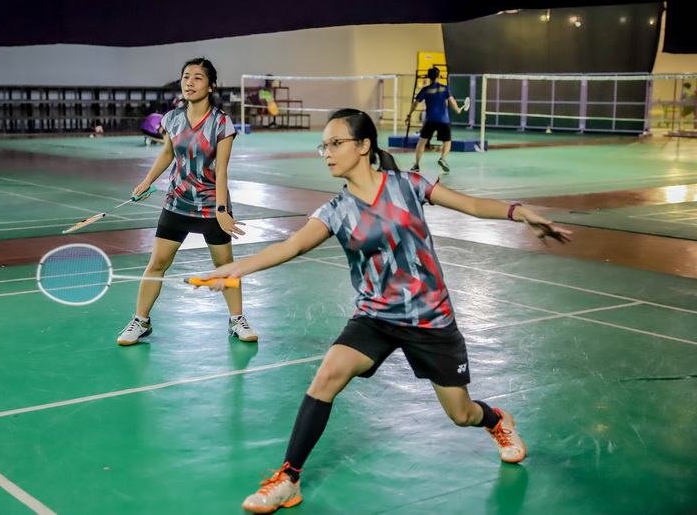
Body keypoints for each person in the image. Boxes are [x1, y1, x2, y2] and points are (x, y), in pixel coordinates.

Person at [204, 108, 573, 513]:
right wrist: (237, 268)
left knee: (461, 413)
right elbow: (292, 245)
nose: (327, 153)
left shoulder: (408, 186)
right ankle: (288, 479)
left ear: (364, 146)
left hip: (430, 318)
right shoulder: (336, 210)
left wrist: (519, 212)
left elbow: (469, 204)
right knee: (327, 376)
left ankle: (495, 420)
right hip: (375, 317)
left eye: (336, 143)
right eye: (324, 146)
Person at [115, 57, 259, 346]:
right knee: (157, 262)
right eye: (186, 77)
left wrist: (221, 210)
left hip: (211, 204)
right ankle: (140, 321)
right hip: (177, 202)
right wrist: (147, 181)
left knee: (224, 265)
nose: (189, 83)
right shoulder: (172, 118)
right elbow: (168, 154)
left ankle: (237, 320)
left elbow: (222, 169)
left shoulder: (221, 122)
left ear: (211, 86)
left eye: (197, 78)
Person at [405, 67, 462, 173]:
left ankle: (416, 165)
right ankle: (442, 158)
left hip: (430, 120)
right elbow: (452, 101)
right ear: (438, 76)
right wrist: (457, 109)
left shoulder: (425, 90)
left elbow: (415, 103)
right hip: (443, 120)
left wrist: (409, 115)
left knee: (421, 142)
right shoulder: (445, 88)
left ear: (429, 77)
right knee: (447, 142)